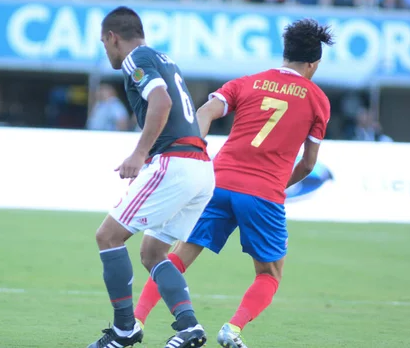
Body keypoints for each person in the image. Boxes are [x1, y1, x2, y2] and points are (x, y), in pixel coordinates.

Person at [134, 19, 334, 348]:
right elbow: (309, 164)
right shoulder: (317, 99)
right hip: (264, 193)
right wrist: (280, 187)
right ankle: (233, 328)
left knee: (178, 257)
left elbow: (206, 111)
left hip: (218, 182)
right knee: (269, 274)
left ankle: (136, 319)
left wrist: (192, 149)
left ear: (285, 55)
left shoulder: (247, 82)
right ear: (313, 63)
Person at [90, 6, 215, 348]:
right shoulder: (165, 58)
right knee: (152, 253)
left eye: (104, 43)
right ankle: (189, 326)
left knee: (108, 237)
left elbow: (161, 103)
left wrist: (139, 154)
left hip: (173, 163)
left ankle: (124, 329)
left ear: (113, 37)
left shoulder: (135, 59)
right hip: (201, 168)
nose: (106, 51)